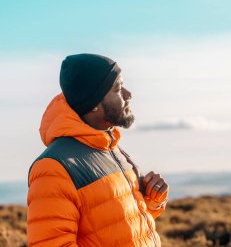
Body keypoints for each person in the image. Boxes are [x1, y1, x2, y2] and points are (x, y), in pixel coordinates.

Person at [27, 53, 169, 247]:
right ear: (93, 104)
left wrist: (151, 201)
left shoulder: (110, 148)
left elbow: (115, 228)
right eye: (118, 88)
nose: (128, 94)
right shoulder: (54, 168)